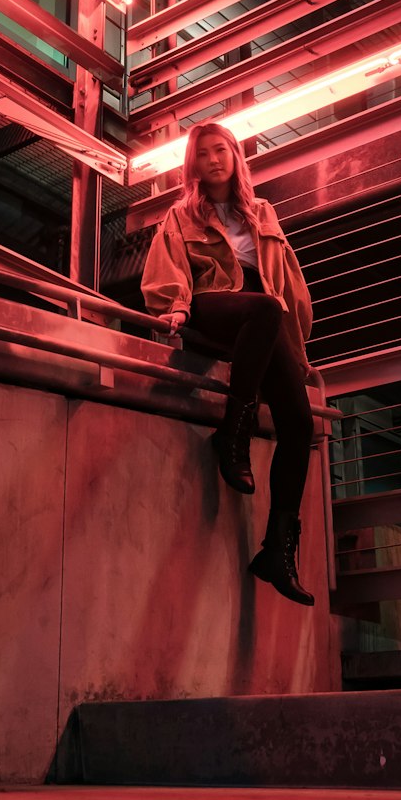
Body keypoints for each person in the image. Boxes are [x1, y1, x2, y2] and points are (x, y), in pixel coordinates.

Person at [141, 122, 316, 607]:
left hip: (266, 315)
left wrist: (297, 352)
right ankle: (232, 435)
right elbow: (169, 268)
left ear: (237, 157)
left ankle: (278, 549)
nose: (214, 159)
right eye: (204, 153)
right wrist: (175, 305)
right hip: (213, 307)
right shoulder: (180, 216)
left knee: (299, 423)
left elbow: (288, 284)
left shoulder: (263, 212)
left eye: (223, 150)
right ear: (192, 163)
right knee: (262, 307)